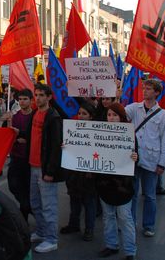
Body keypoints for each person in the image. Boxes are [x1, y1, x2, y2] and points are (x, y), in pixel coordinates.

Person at [125, 79, 165, 237]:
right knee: (132, 193)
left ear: (157, 92)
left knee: (150, 195)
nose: (145, 91)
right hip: (134, 157)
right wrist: (117, 97)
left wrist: (162, 163)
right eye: (144, 88)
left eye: (149, 89)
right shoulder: (135, 108)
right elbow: (119, 113)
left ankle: (149, 225)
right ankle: (130, 222)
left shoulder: (163, 115)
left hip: (151, 159)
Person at [95, 103, 137, 260]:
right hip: (105, 183)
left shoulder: (129, 134)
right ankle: (111, 245)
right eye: (109, 115)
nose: (111, 118)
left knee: (125, 218)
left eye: (115, 115)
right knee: (108, 216)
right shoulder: (99, 133)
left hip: (123, 185)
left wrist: (135, 157)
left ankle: (130, 251)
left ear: (121, 117)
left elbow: (136, 156)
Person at [29, 83, 64, 253]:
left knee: (48, 206)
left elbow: (56, 146)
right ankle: (41, 231)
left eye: (42, 95)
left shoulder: (53, 117)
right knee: (35, 203)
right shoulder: (35, 113)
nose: (38, 98)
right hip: (33, 165)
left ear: (49, 97)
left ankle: (51, 239)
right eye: (36, 95)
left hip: (44, 169)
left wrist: (50, 171)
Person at [61, 100, 97, 242]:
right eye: (80, 113)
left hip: (89, 173)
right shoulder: (72, 129)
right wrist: (65, 146)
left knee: (89, 202)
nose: (81, 116)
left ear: (91, 116)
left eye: (84, 114)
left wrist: (92, 169)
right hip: (73, 172)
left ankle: (89, 229)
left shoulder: (97, 132)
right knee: (74, 198)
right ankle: (74, 224)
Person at [7, 89, 34, 221]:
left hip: (29, 158)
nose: (22, 102)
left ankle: (25, 213)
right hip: (16, 156)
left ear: (31, 100)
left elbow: (35, 135)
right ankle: (27, 207)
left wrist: (24, 138)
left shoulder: (35, 116)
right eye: (20, 99)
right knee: (13, 185)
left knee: (26, 187)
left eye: (25, 99)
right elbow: (9, 135)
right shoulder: (15, 116)